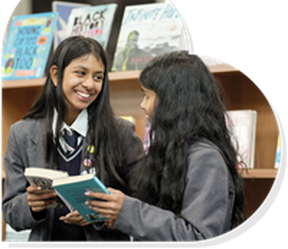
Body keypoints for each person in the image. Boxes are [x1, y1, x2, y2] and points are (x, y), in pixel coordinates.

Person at [85, 51, 247, 242]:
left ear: (172, 102)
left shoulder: (205, 158)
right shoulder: (171, 151)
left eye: (146, 96)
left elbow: (198, 235)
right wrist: (117, 216)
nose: (143, 105)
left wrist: (127, 211)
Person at [1, 36, 144, 242]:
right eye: (81, 73)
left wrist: (102, 214)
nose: (89, 84)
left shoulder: (121, 132)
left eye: (98, 77)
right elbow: (10, 211)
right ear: (56, 75)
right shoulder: (21, 134)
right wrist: (32, 205)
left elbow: (144, 203)